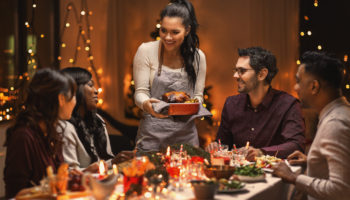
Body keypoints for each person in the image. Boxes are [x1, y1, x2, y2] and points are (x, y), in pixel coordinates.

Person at [272, 51, 350, 200]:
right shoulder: (341, 112)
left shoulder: (335, 124)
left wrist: (294, 178)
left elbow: (341, 191)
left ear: (314, 87)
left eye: (298, 81)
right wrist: (314, 161)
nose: (295, 87)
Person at [207, 47, 305, 161]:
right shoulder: (231, 104)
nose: (235, 76)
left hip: (275, 175)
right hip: (237, 174)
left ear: (262, 74)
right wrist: (215, 146)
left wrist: (261, 153)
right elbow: (223, 144)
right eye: (235, 70)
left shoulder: (288, 105)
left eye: (242, 71)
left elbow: (296, 145)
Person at [133, 0, 206, 151]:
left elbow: (198, 96)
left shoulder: (198, 57)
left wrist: (191, 107)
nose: (167, 37)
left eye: (175, 32)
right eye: (163, 30)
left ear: (187, 30)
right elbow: (140, 93)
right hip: (152, 136)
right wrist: (146, 104)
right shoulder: (146, 51)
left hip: (186, 138)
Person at [4, 68, 76, 198]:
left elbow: (57, 177)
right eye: (73, 95)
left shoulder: (51, 133)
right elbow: (15, 194)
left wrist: (71, 178)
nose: (75, 101)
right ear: (61, 98)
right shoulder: (24, 137)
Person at [60, 67, 133, 172]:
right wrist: (90, 170)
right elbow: (68, 173)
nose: (96, 91)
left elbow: (102, 162)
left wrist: (114, 161)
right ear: (75, 90)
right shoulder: (65, 127)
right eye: (90, 85)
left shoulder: (97, 120)